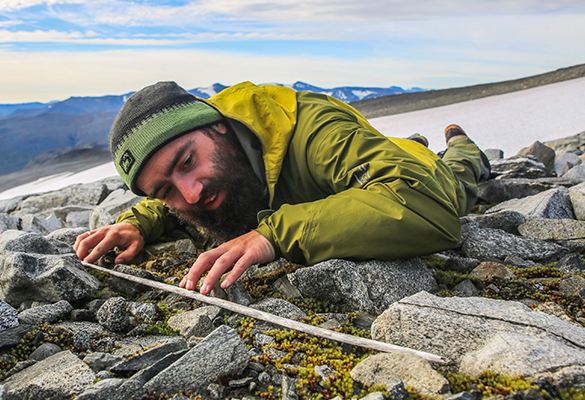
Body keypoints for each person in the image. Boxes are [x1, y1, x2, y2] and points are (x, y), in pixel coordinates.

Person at [74, 81, 489, 295]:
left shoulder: (309, 125)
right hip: (365, 165)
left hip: (421, 173)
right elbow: (175, 204)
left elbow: (425, 206)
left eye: (187, 162)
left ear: (218, 126)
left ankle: (461, 144)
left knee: (456, 178)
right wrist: (137, 223)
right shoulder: (203, 172)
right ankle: (408, 145)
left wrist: (275, 234)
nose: (191, 194)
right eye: (164, 189)